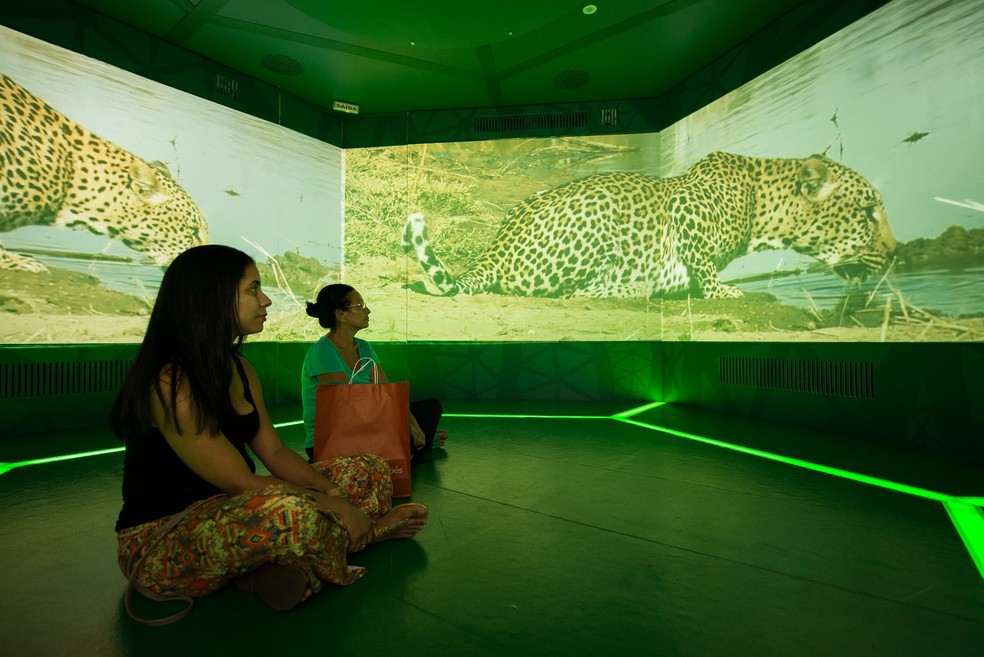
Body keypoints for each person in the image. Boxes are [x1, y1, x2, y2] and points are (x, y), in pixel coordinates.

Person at [111, 245, 428, 623]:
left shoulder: (240, 367)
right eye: (252, 289)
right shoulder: (171, 380)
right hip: (163, 539)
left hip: (234, 511)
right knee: (289, 512)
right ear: (211, 297)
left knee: (369, 469)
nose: (265, 300)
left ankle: (269, 568)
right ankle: (367, 534)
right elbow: (240, 481)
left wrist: (332, 492)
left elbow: (275, 452)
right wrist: (338, 507)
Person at [301, 284, 446, 464]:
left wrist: (414, 425)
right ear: (341, 315)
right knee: (394, 429)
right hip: (334, 438)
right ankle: (407, 448)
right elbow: (347, 406)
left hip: (367, 421)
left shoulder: (364, 347)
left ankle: (409, 445)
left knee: (430, 407)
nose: (367, 310)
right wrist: (401, 425)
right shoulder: (322, 352)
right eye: (360, 306)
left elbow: (387, 393)